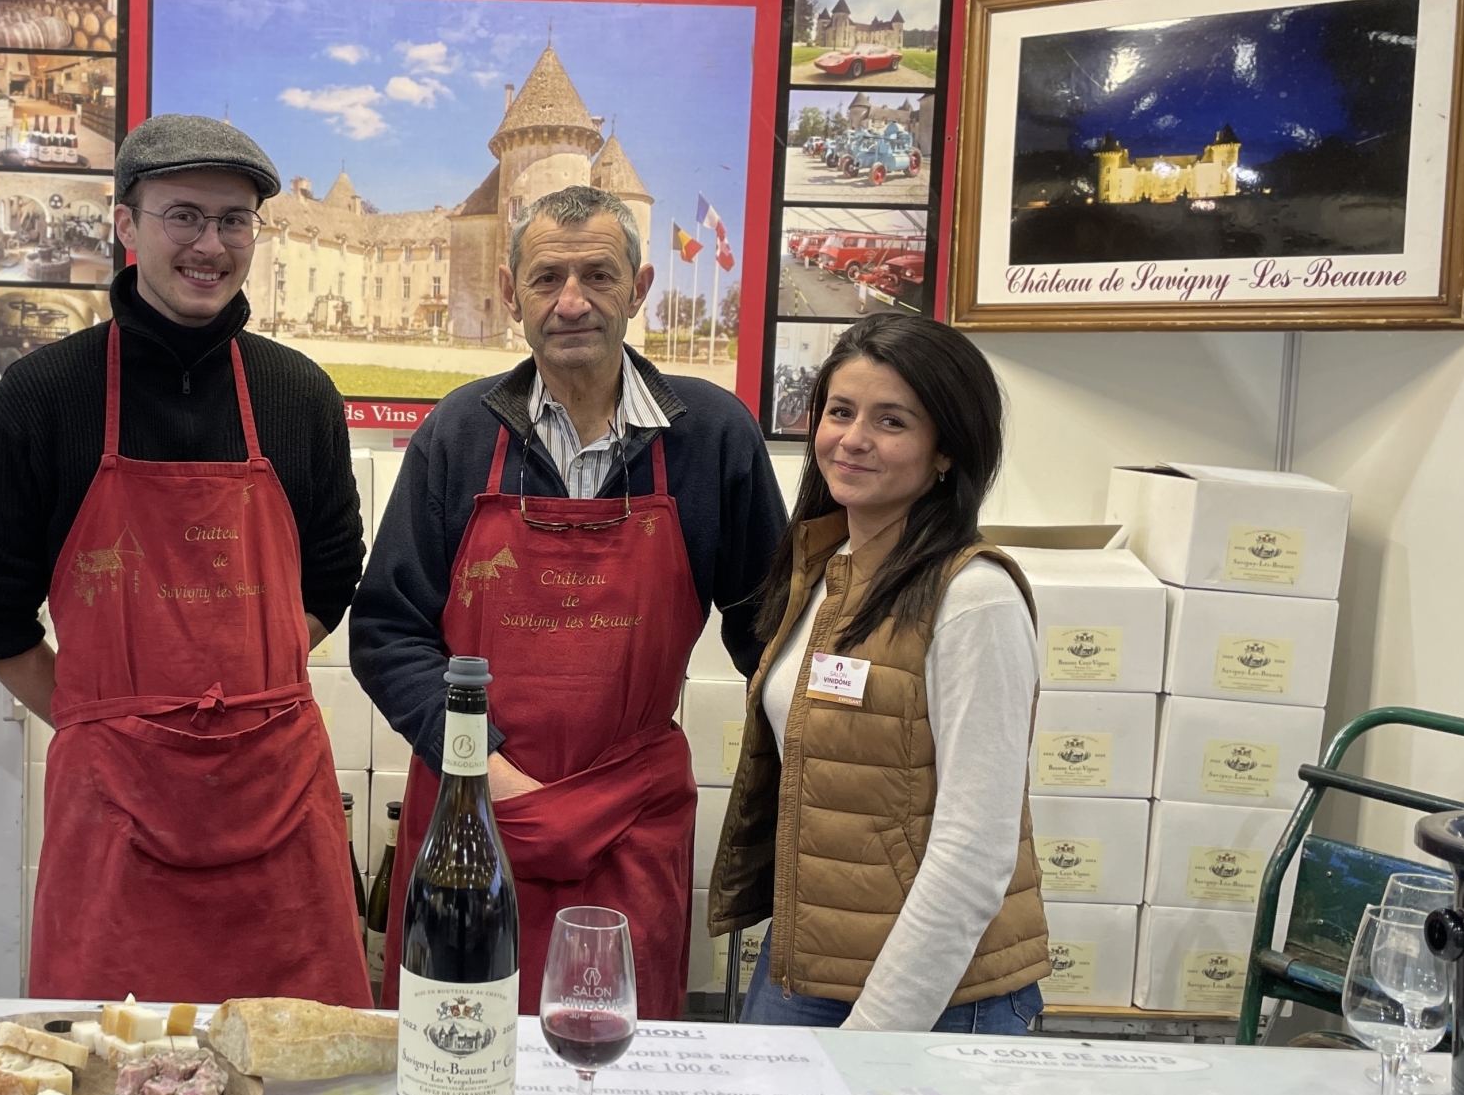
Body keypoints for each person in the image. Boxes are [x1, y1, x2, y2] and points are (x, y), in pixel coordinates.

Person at [0, 114, 370, 1007]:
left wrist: (244, 700)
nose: (209, 245)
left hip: (276, 798)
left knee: (305, 1086)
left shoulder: (297, 394)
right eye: (183, 215)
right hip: (115, 813)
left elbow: (333, 573)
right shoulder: (43, 396)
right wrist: (106, 724)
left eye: (234, 221)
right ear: (126, 226)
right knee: (109, 1086)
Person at [351, 184, 787, 1020]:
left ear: (641, 287)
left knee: (613, 1062)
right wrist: (483, 767)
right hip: (473, 810)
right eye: (547, 278)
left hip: (630, 816)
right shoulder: (457, 435)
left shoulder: (710, 436)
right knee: (455, 1048)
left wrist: (830, 730)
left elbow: (768, 625)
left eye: (598, 274)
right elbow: (387, 631)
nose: (573, 301)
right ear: (513, 295)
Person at [709, 315, 1050, 1033]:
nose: (852, 439)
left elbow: (974, 853)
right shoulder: (825, 574)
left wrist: (873, 1038)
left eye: (890, 421)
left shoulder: (973, 599)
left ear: (946, 451)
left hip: (931, 997)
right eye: (839, 412)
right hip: (807, 962)